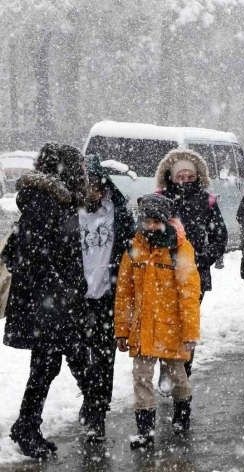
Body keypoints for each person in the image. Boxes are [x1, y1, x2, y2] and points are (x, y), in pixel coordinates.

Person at [3, 143, 89, 459]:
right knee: (48, 364)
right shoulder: (45, 201)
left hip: (50, 301)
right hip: (46, 303)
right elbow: (31, 254)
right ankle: (27, 426)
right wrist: (60, 289)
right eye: (77, 166)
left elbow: (21, 250)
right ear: (64, 168)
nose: (82, 172)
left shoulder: (54, 199)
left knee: (49, 364)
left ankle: (28, 425)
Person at [114, 194, 201, 450]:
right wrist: (122, 329)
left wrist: (189, 333)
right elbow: (124, 292)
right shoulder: (134, 247)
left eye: (156, 221)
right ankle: (145, 430)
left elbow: (189, 294)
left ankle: (182, 413)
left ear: (164, 221)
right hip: (142, 329)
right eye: (147, 221)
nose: (151, 226)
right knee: (141, 377)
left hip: (171, 328)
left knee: (177, 376)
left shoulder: (180, 249)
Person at [155, 149, 228, 381]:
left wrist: (203, 259)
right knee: (165, 321)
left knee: (187, 322)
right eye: (180, 176)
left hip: (195, 274)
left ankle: (183, 371)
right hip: (163, 273)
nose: (185, 181)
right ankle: (166, 370)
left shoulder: (207, 201)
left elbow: (219, 235)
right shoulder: (159, 199)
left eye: (190, 176)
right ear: (171, 176)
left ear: (198, 176)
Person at [77, 155, 136, 442]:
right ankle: (90, 397)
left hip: (107, 297)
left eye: (96, 187)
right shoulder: (68, 213)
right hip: (75, 298)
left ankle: (97, 413)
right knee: (77, 356)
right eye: (86, 186)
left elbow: (132, 251)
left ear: (104, 188)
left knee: (103, 358)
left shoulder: (119, 213)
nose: (92, 193)